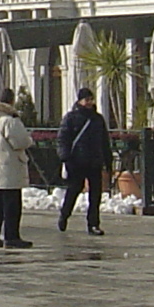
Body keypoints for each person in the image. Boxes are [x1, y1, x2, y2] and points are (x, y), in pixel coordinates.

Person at [0, 91, 33, 247]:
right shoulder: (9, 121)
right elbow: (20, 142)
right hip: (10, 168)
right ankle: (12, 237)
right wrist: (29, 139)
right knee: (12, 205)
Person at [56, 87, 111, 235]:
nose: (89, 102)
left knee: (95, 194)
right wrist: (65, 157)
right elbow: (63, 138)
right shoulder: (71, 118)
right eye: (86, 99)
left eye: (91, 99)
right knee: (74, 190)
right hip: (77, 161)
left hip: (94, 161)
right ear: (80, 101)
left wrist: (108, 160)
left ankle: (93, 224)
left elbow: (104, 141)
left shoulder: (97, 119)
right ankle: (64, 215)